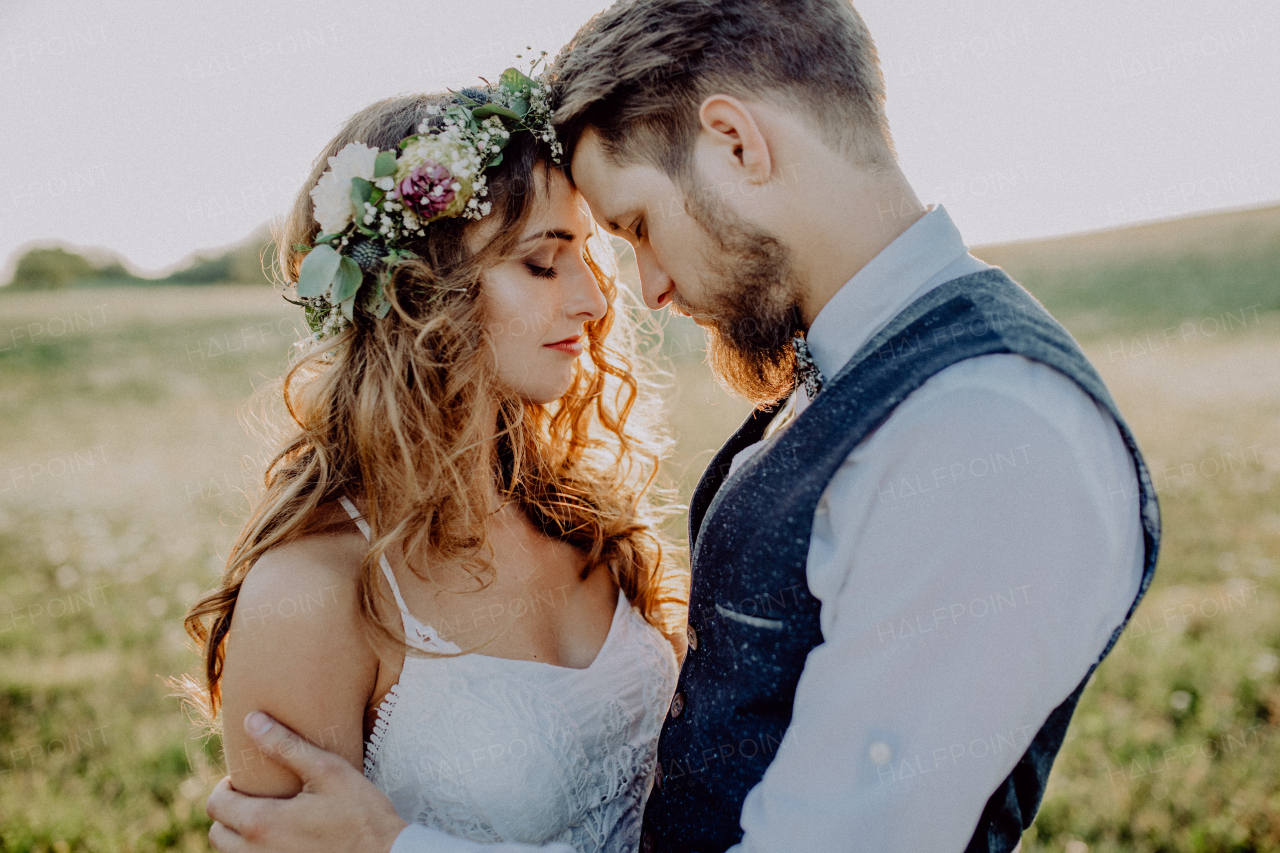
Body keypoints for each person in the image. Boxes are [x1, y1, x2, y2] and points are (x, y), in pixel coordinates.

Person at [203, 1, 1161, 851]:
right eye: (549, 260)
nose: (633, 294)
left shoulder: (982, 429)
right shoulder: (858, 386)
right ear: (422, 296)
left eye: (634, 230)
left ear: (737, 144)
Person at [184, 75, 685, 853]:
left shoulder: (583, 516)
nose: (594, 300)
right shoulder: (312, 596)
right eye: (543, 265)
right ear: (419, 292)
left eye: (587, 255)